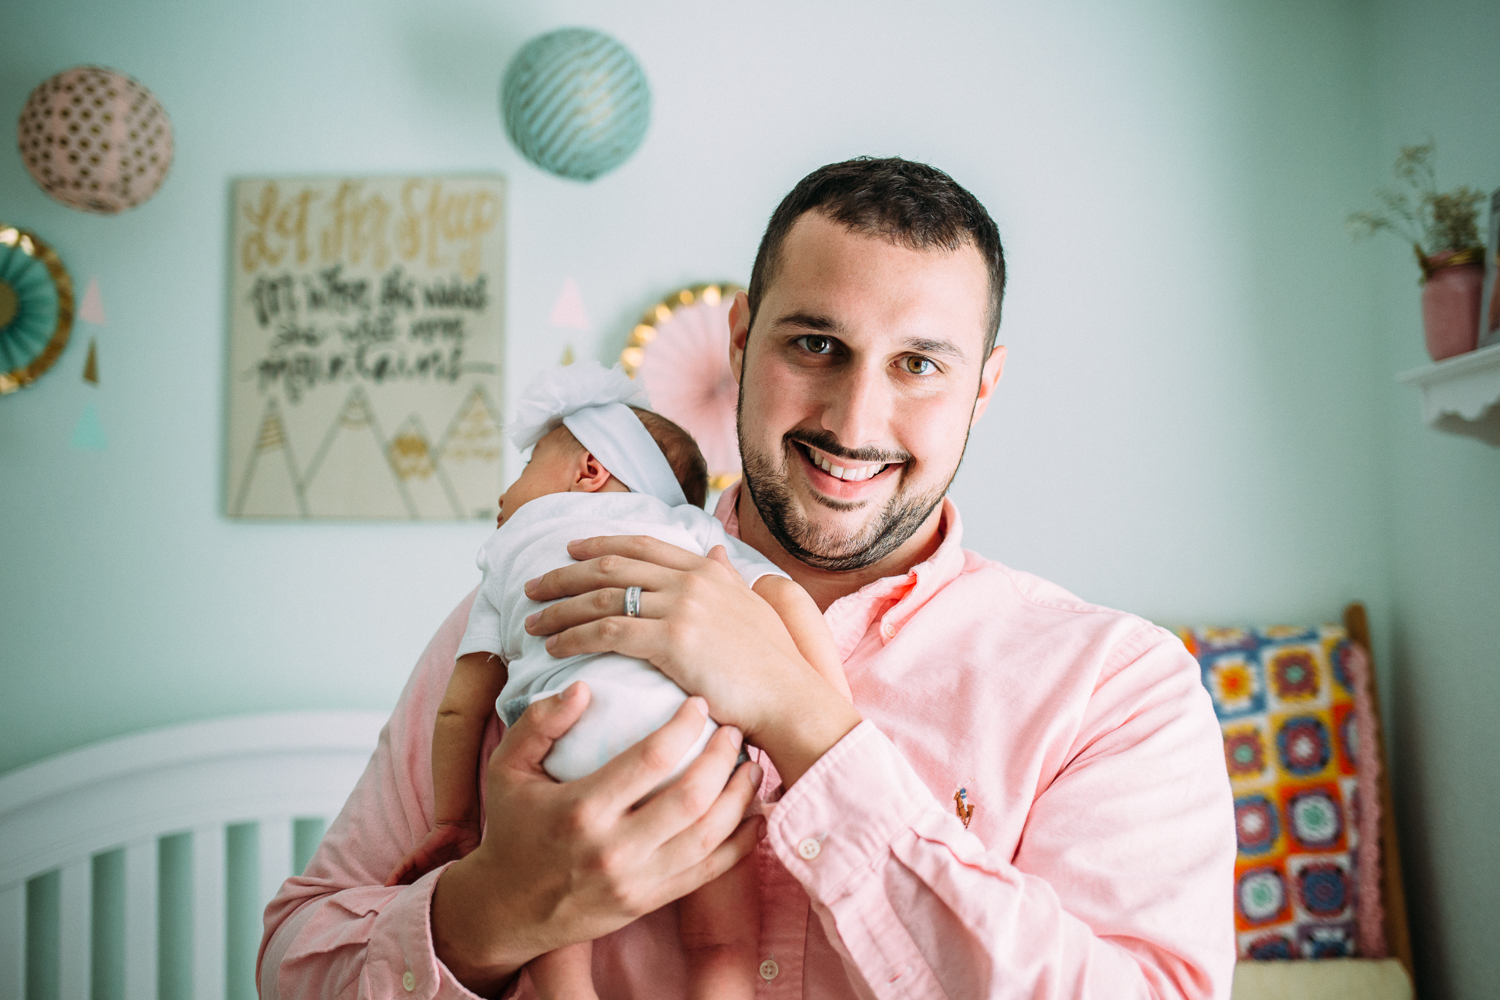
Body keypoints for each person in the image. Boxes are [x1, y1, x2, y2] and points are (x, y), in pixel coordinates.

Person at [260, 157, 1237, 1000]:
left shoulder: (1116, 685)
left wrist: (801, 718)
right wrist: (490, 912)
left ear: (983, 383)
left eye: (919, 364)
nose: (855, 421)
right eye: (816, 344)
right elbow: (293, 965)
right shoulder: (549, 604)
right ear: (740, 338)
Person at [384, 362, 849, 1000]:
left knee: (553, 944)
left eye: (522, 471)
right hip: (695, 759)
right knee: (722, 945)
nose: (504, 497)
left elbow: (460, 711)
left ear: (590, 469)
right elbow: (787, 600)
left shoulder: (506, 554)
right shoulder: (694, 534)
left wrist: (456, 820)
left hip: (561, 760)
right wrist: (834, 728)